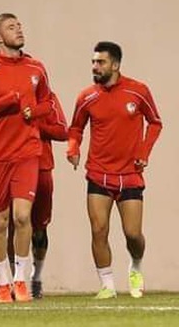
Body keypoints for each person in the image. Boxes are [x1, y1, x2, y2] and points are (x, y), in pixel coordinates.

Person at [0, 13, 53, 303]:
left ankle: (20, 280)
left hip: (27, 152)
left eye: (19, 25)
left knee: (22, 216)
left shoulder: (36, 68)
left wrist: (34, 112)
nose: (18, 30)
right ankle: (2, 280)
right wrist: (8, 103)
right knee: (0, 221)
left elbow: (48, 103)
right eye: (11, 27)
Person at [66, 41, 163, 299]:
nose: (95, 67)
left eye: (101, 62)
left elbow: (155, 123)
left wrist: (143, 153)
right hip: (98, 173)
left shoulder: (138, 91)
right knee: (99, 229)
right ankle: (107, 284)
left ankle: (136, 266)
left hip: (130, 175)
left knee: (133, 234)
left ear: (116, 65)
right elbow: (75, 128)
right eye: (93, 62)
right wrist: (73, 148)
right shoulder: (86, 96)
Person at [14, 90, 67, 299]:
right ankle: (15, 279)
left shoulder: (48, 98)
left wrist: (35, 124)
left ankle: (36, 276)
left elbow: (63, 131)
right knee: (15, 222)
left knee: (39, 228)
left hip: (41, 167)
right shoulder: (10, 98)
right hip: (13, 165)